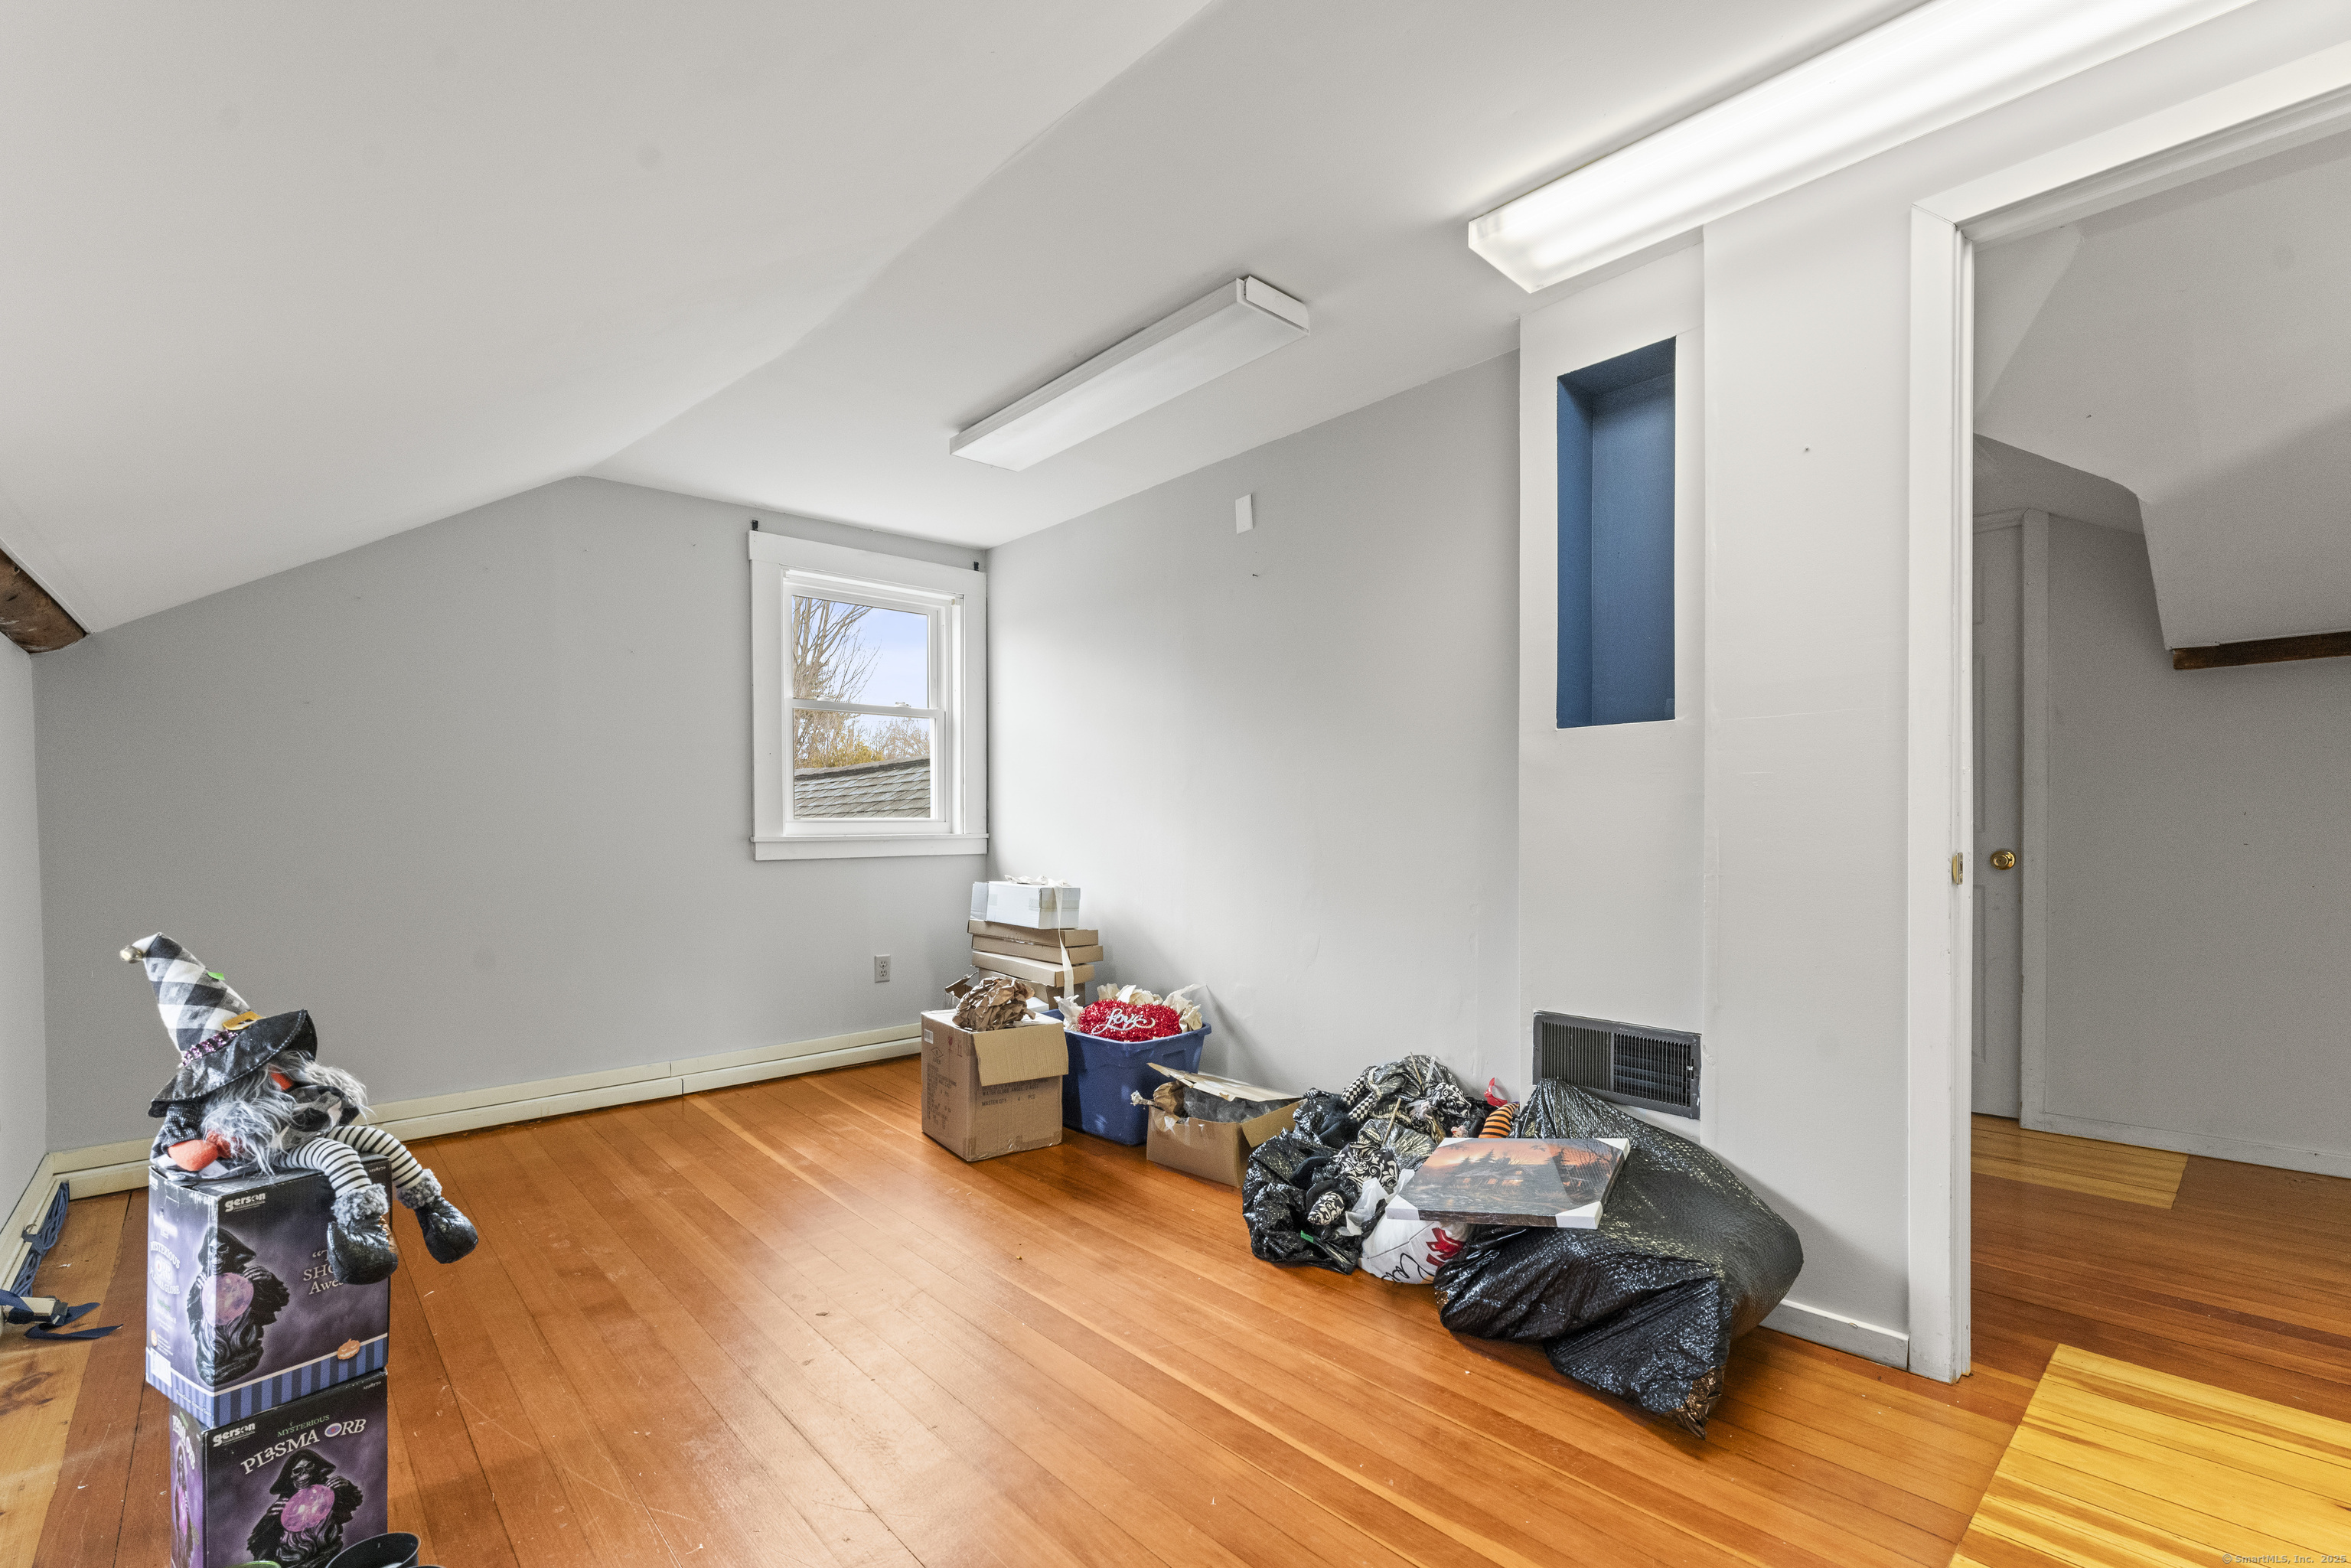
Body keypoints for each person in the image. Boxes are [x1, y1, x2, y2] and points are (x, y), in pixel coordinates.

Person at [128, 934, 478, 1284]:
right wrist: (207, 1148)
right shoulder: (196, 1099)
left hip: (299, 1131)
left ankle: (434, 1209)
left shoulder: (279, 1068)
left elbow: (313, 1093)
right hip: (259, 1150)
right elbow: (182, 1152)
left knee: (377, 1139)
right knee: (334, 1153)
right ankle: (365, 1232)